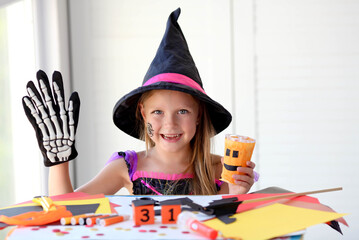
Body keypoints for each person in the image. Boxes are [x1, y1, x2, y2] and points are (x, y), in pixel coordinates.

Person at [22, 8, 257, 196]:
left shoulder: (221, 169)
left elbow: (232, 225)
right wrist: (58, 162)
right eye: (158, 112)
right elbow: (67, 209)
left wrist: (237, 193)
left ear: (199, 115)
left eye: (183, 111)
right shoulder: (127, 167)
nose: (170, 123)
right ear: (143, 114)